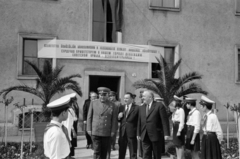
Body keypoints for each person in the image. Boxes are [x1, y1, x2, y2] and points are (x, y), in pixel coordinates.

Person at [137, 90, 170, 159]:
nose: (142, 98)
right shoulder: (141, 107)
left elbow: (165, 121)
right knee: (146, 154)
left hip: (156, 135)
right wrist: (138, 133)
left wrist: (166, 134)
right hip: (144, 134)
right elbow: (139, 121)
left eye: (144, 96)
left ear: (150, 97)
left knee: (156, 155)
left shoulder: (159, 105)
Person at [87, 87, 118, 159]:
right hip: (95, 131)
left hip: (106, 132)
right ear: (99, 95)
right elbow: (89, 117)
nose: (102, 96)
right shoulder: (93, 103)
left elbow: (114, 120)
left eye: (104, 95)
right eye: (101, 94)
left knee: (104, 151)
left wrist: (113, 131)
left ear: (108, 95)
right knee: (97, 151)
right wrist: (88, 129)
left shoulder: (113, 105)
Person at [44, 95, 71, 159]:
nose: (68, 113)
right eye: (67, 111)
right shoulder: (56, 132)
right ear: (63, 113)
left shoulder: (56, 128)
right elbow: (55, 157)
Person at [118, 92, 139, 159]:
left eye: (127, 98)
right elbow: (119, 120)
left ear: (131, 99)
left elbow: (139, 121)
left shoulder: (137, 108)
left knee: (133, 152)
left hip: (132, 133)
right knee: (121, 151)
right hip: (122, 133)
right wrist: (118, 117)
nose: (125, 99)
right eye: (124, 98)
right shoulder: (121, 107)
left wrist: (138, 133)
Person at [62, 93, 79, 157]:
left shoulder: (69, 110)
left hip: (68, 129)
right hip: (67, 129)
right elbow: (75, 118)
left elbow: (73, 119)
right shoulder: (70, 110)